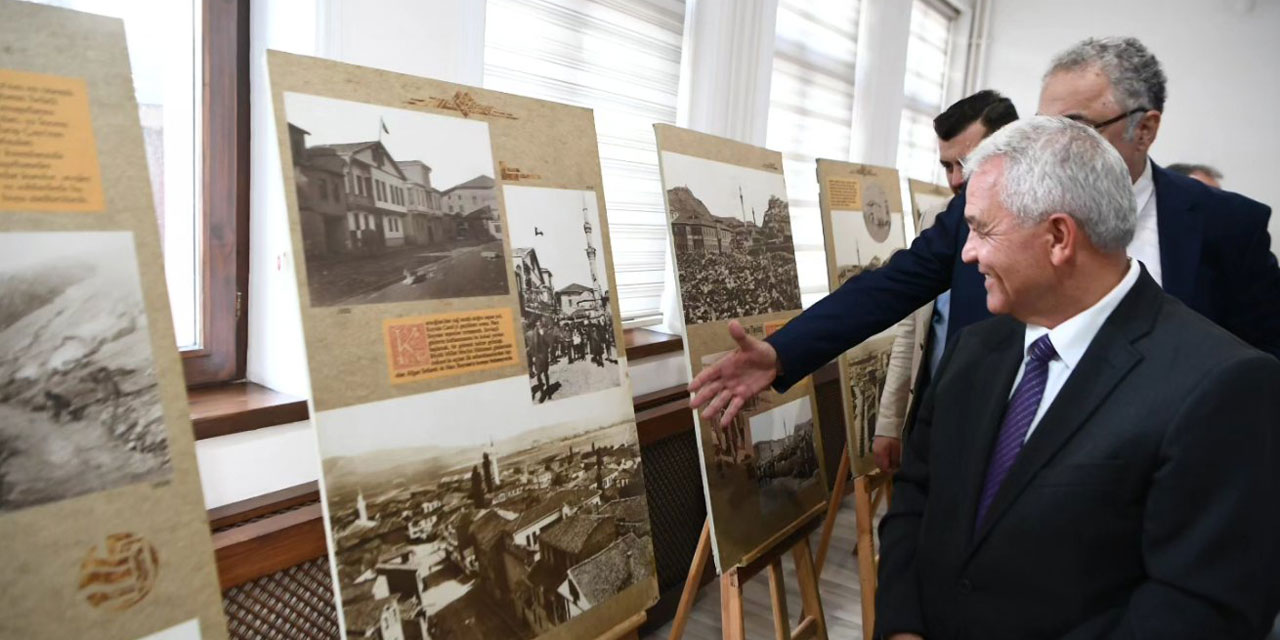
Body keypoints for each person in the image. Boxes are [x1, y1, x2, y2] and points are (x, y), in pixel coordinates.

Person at [690, 36, 1280, 426]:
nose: (1053, 143)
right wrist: (784, 350)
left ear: (1144, 129)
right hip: (996, 447)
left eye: (1074, 125)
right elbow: (897, 282)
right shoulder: (992, 199)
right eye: (1045, 123)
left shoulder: (1231, 229)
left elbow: (1260, 370)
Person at [875, 115, 1280, 640]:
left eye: (981, 228)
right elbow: (917, 496)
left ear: (1059, 237)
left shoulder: (1222, 385)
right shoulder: (977, 348)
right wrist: (903, 628)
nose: (967, 252)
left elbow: (1197, 606)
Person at [874, 90, 1018, 473]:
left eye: (965, 165)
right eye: (946, 166)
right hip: (929, 408)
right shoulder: (934, 221)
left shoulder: (1027, 232)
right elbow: (912, 329)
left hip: (995, 422)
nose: (956, 180)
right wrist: (890, 421)